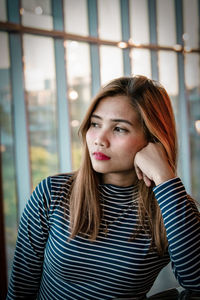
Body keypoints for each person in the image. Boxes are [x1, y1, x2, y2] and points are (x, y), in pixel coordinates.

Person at [7, 75, 200, 300]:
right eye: (95, 124)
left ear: (152, 139)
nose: (99, 139)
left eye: (119, 128)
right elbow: (21, 287)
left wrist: (165, 178)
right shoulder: (52, 192)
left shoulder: (172, 206)